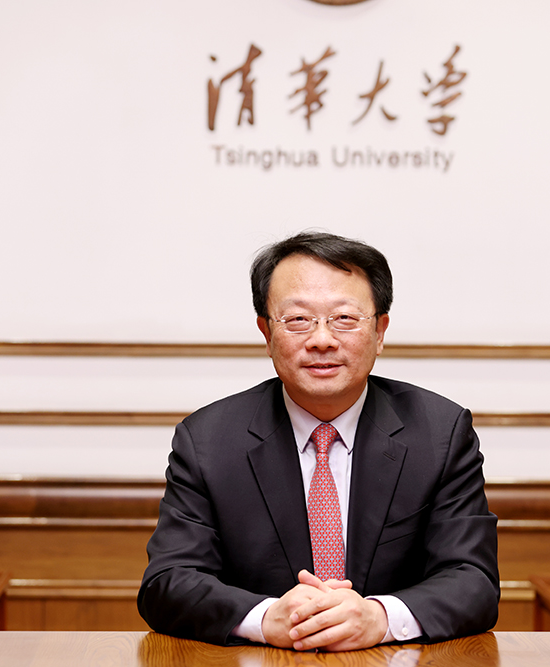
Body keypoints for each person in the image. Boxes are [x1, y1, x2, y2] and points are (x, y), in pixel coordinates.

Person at [138, 231, 499, 650]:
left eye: (344, 318)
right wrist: (266, 618)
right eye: (298, 320)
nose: (322, 339)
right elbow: (167, 582)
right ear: (266, 333)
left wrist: (380, 617)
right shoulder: (208, 441)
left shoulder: (439, 433)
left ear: (380, 331)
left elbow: (473, 580)